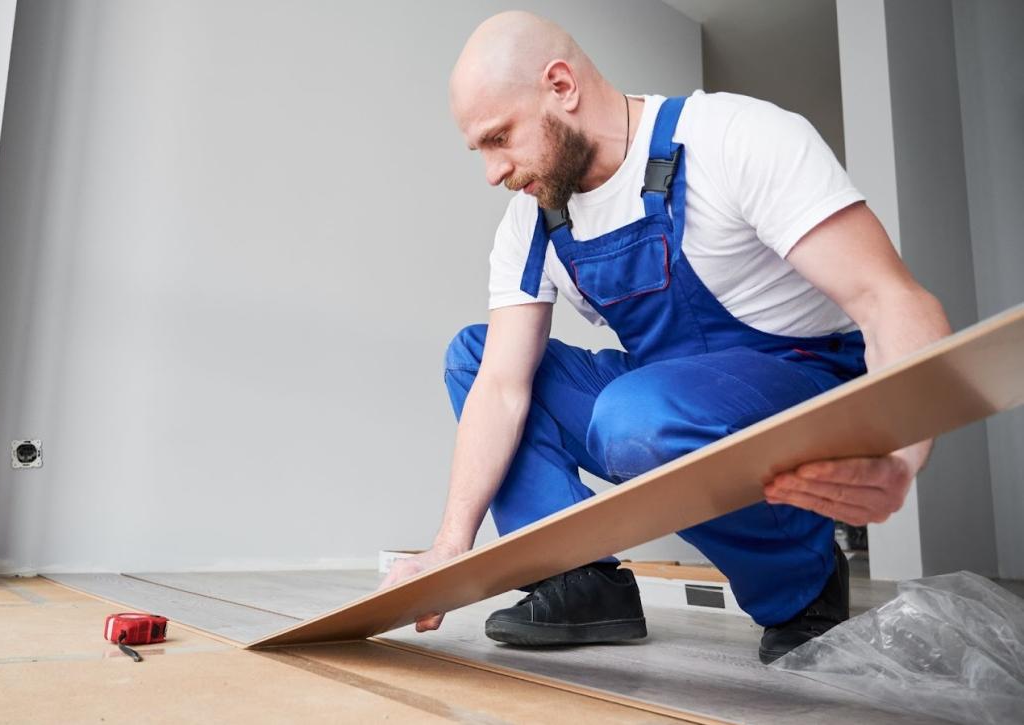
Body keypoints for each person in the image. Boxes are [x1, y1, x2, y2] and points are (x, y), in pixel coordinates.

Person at [378, 11, 951, 664]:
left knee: (636, 416)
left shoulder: (736, 139)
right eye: (479, 149)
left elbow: (893, 300)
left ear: (561, 85)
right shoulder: (532, 226)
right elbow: (503, 386)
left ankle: (801, 584)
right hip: (664, 394)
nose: (492, 170)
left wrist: (900, 459)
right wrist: (450, 548)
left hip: (799, 383)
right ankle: (580, 580)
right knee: (475, 356)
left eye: (500, 137)